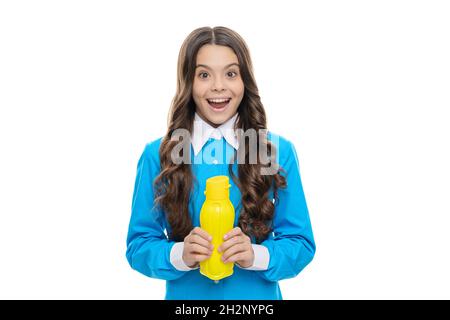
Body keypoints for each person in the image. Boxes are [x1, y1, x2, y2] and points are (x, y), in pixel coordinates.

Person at [125, 26, 315, 300]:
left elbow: (301, 243)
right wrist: (180, 254)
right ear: (188, 82)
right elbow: (138, 245)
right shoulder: (158, 155)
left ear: (244, 81)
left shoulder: (276, 152)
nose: (218, 86)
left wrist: (256, 256)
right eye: (204, 74)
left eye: (230, 73)